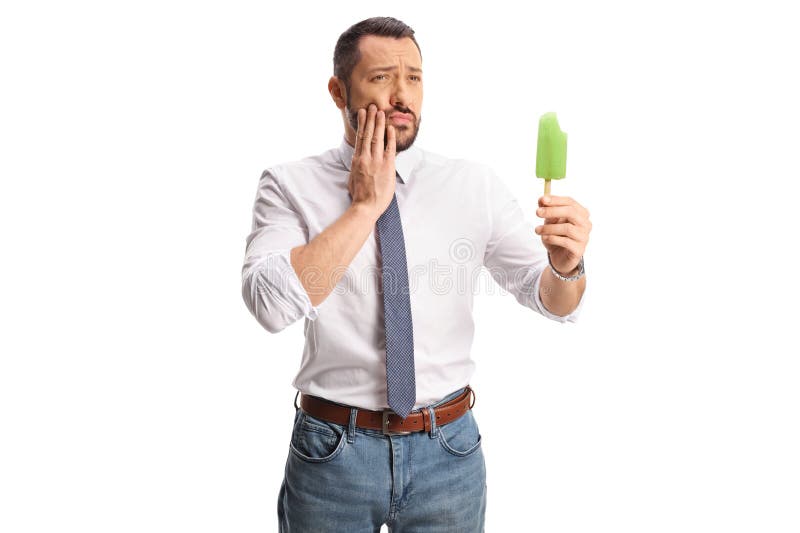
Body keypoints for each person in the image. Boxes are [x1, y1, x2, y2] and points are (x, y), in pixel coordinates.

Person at [241, 16, 591, 532]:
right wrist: (364, 208)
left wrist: (567, 268)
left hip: (447, 451)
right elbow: (270, 307)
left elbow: (554, 301)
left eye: (415, 78)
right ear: (339, 91)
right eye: (382, 77)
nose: (403, 94)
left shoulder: (473, 184)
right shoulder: (289, 185)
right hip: (333, 451)